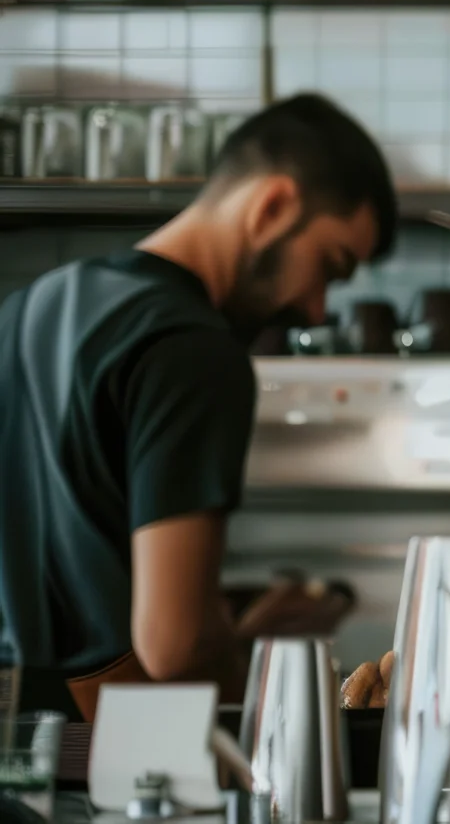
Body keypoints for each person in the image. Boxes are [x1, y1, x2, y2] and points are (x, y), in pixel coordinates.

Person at [0, 93, 397, 717]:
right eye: (329, 265)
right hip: (104, 759)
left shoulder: (34, 304)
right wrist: (278, 704)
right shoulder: (194, 348)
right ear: (272, 206)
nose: (317, 309)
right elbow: (174, 645)